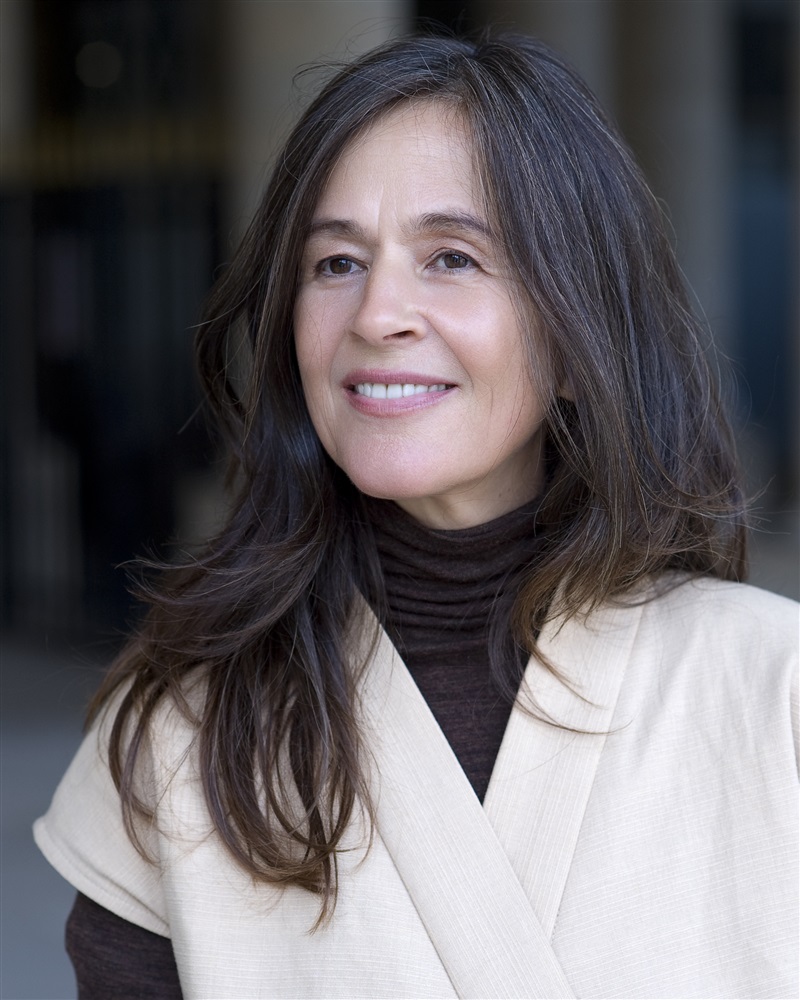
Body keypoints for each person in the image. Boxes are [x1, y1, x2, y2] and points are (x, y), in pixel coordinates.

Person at [35, 33, 797, 1000]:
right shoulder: (179, 728)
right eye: (335, 263)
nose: (376, 313)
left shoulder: (774, 689)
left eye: (451, 257)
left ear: (576, 339)